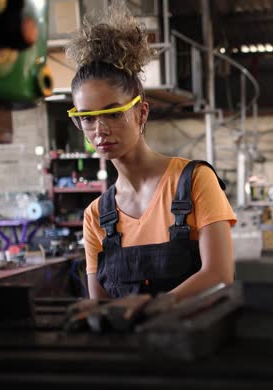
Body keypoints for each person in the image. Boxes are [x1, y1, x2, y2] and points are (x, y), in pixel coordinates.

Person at [69, 4, 236, 301]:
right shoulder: (95, 216)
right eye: (87, 117)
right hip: (128, 345)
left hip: (193, 341)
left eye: (113, 114)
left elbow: (219, 275)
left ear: (141, 113)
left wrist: (148, 308)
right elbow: (101, 302)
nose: (100, 129)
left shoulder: (194, 181)